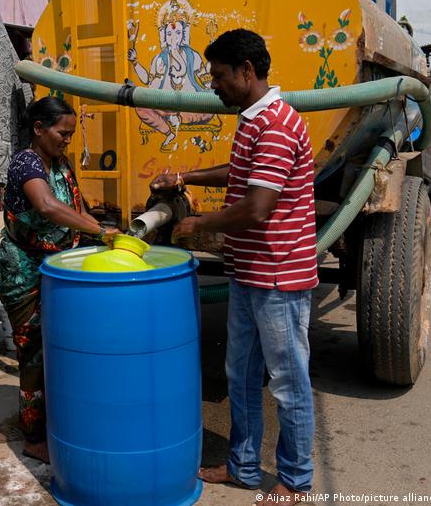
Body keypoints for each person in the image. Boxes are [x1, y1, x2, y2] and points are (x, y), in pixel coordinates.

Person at [151, 29, 317, 506]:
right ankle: (244, 466)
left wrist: (199, 224)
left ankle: (296, 482)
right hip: (249, 272)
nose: (214, 86)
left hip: (278, 275)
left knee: (287, 381)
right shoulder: (254, 120)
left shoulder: (279, 124)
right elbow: (240, 172)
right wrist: (185, 175)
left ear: (247, 71)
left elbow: (258, 206)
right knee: (240, 373)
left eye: (220, 76)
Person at [0, 96, 120, 464]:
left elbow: (75, 208)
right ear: (38, 129)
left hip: (59, 267)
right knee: (33, 351)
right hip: (25, 271)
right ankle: (34, 436)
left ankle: (59, 420)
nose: (68, 140)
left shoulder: (61, 163)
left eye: (71, 133)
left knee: (60, 349)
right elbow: (48, 206)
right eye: (62, 133)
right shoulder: (26, 163)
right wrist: (100, 230)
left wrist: (106, 236)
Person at [126, 0, 215, 152]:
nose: (173, 36)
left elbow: (205, 82)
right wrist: (135, 62)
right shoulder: (160, 58)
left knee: (211, 107)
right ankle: (168, 132)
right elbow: (148, 81)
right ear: (164, 36)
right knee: (139, 104)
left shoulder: (193, 56)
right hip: (164, 106)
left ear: (184, 35)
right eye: (169, 33)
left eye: (178, 32)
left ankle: (178, 119)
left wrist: (211, 67)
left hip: (189, 106)